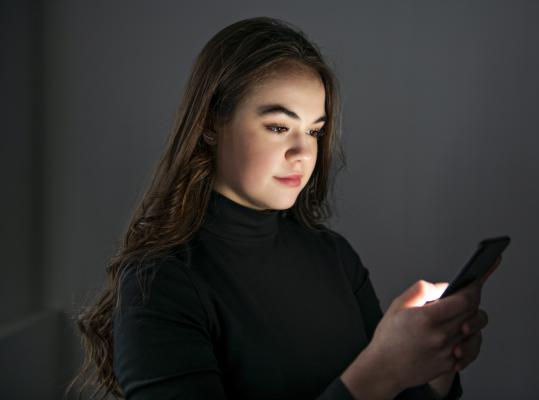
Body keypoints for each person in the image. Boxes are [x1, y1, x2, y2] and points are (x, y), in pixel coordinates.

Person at [67, 16, 495, 400]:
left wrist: (435, 367)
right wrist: (379, 373)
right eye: (277, 126)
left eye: (314, 131)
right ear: (213, 124)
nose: (302, 152)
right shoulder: (158, 283)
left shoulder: (335, 257)